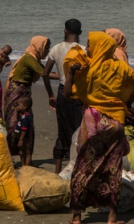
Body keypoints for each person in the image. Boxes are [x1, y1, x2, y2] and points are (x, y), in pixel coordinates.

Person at [64, 31, 134, 224]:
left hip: (92, 123)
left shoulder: (87, 68)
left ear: (99, 47)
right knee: (113, 170)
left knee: (84, 168)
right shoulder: (120, 67)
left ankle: (76, 217)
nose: (87, 48)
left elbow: (68, 93)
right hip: (114, 124)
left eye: (89, 45)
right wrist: (124, 103)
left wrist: (71, 73)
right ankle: (111, 218)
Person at [43, 18, 84, 173]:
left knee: (62, 131)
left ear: (65, 31)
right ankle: (78, 168)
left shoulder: (56, 49)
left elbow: (45, 73)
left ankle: (58, 170)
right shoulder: (83, 50)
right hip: (79, 93)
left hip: (62, 92)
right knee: (80, 131)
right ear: (80, 32)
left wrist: (50, 94)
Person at [5, 35, 50, 157]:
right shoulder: (29, 58)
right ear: (39, 47)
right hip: (18, 91)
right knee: (15, 122)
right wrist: (66, 77)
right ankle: (13, 154)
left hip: (23, 91)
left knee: (24, 121)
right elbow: (45, 74)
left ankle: (24, 155)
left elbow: (46, 72)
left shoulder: (34, 59)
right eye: (46, 48)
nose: (47, 52)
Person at [14, 95, 35, 166]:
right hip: (20, 136)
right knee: (21, 151)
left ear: (25, 106)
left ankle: (27, 167)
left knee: (27, 152)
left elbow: (24, 129)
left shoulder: (27, 117)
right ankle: (23, 166)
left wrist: (21, 139)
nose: (17, 106)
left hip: (25, 137)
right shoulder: (23, 115)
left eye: (19, 105)